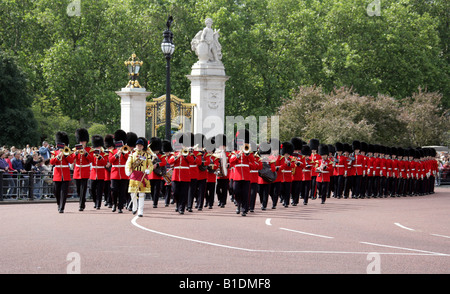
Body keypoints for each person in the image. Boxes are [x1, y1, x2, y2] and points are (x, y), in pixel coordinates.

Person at [229, 129, 256, 216]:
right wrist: (237, 156)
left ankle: (244, 209)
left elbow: (252, 160)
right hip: (237, 176)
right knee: (236, 192)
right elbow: (231, 161)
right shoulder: (235, 152)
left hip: (246, 176)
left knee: (245, 193)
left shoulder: (248, 151)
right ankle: (239, 205)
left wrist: (247, 155)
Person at [167, 133, 195, 214]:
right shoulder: (174, 154)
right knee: (175, 192)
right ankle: (178, 205)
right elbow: (170, 161)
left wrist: (185, 155)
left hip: (185, 175)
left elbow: (192, 161)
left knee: (184, 193)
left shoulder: (187, 153)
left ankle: (181, 208)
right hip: (176, 176)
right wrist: (177, 156)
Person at [125, 137, 152, 217]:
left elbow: (150, 165)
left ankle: (140, 210)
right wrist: (127, 170)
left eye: (140, 146)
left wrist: (148, 170)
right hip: (134, 175)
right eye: (138, 145)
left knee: (141, 194)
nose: (139, 147)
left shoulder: (147, 155)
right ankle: (134, 206)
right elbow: (128, 164)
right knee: (132, 193)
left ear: (143, 147)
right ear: (136, 146)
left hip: (142, 175)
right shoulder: (132, 155)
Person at [50, 131, 75, 213]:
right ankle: (58, 204)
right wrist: (58, 156)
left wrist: (65, 154)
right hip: (57, 174)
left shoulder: (67, 151)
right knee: (56, 191)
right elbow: (52, 162)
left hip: (65, 174)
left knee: (64, 192)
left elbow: (71, 161)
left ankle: (62, 207)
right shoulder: (54, 152)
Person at [109, 129, 130, 213]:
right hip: (115, 173)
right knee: (114, 190)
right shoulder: (112, 151)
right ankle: (114, 204)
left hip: (123, 173)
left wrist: (123, 152)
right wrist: (117, 154)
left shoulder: (126, 150)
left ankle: (120, 207)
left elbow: (128, 159)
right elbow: (110, 160)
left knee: (122, 191)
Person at [86, 135, 108, 210]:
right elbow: (90, 160)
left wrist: (100, 157)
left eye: (98, 147)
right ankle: (95, 201)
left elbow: (105, 163)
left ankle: (98, 204)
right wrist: (87, 154)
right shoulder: (92, 153)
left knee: (99, 190)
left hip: (101, 174)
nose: (97, 148)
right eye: (96, 147)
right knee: (92, 189)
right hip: (93, 173)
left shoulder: (104, 154)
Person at [73, 128, 91, 210]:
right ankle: (82, 200)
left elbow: (91, 160)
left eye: (83, 141)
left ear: (86, 141)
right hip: (77, 171)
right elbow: (71, 159)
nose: (82, 143)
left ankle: (81, 204)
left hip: (85, 171)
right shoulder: (75, 149)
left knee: (83, 189)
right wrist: (75, 153)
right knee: (78, 189)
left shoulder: (89, 150)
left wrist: (85, 153)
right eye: (80, 141)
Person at [147, 137, 167, 208]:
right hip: (151, 174)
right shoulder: (149, 155)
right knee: (152, 189)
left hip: (158, 174)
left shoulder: (161, 155)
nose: (156, 151)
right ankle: (153, 199)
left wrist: (158, 164)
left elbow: (164, 163)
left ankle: (155, 202)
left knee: (157, 189)